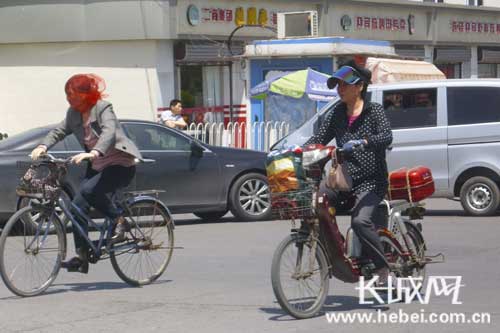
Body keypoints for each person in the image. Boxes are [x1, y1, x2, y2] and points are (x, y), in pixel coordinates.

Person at [30, 74, 143, 274]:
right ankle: (82, 257)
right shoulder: (73, 113)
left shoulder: (103, 107)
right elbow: (59, 131)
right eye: (67, 95)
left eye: (73, 95)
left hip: (119, 163)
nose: (69, 99)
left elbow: (109, 132)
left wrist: (93, 152)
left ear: (86, 94)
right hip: (97, 164)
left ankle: (120, 222)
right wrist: (42, 146)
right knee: (76, 208)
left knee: (91, 191)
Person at [305, 60, 393, 283]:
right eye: (338, 85)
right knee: (317, 202)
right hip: (344, 180)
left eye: (345, 85)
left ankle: (383, 268)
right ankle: (335, 254)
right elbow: (318, 139)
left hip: (372, 181)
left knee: (360, 222)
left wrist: (364, 141)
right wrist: (300, 150)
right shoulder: (336, 113)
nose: (340, 89)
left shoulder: (374, 111)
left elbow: (386, 136)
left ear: (359, 86)